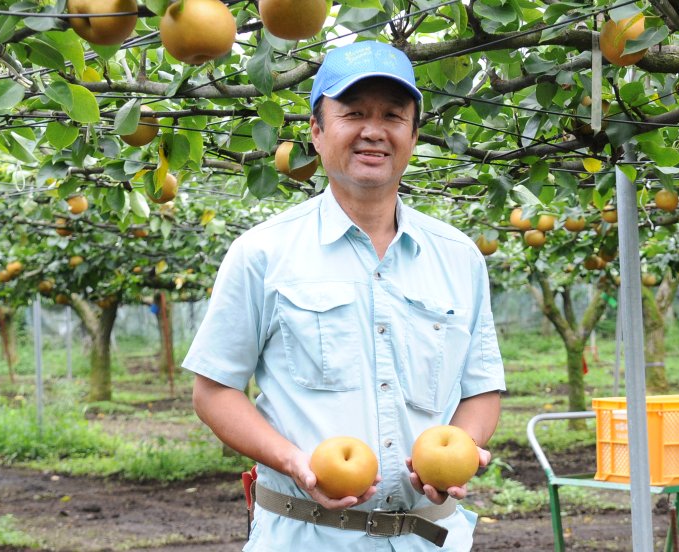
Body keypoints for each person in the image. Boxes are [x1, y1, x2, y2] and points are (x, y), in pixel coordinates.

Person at [182, 40, 505, 551]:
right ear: (316, 130)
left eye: (393, 116)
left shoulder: (458, 257)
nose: (373, 130)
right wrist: (293, 460)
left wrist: (463, 448)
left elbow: (482, 387)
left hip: (431, 537)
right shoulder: (263, 252)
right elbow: (214, 390)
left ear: (414, 135)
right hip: (304, 537)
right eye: (352, 113)